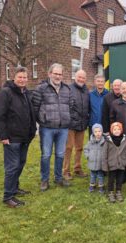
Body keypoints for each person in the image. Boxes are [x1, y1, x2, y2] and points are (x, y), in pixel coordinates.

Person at [0, 66, 36, 207]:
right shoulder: (5, 93)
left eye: (24, 77)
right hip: (11, 138)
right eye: (20, 77)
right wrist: (2, 136)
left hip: (25, 138)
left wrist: (32, 131)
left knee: (20, 164)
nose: (22, 80)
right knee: (12, 167)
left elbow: (30, 114)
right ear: (14, 77)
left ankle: (15, 188)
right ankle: (8, 196)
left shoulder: (26, 93)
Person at [32, 63, 72, 191]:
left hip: (63, 128)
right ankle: (44, 180)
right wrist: (43, 120)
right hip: (47, 128)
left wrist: (66, 119)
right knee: (46, 155)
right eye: (55, 73)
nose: (58, 76)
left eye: (60, 74)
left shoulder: (67, 89)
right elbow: (35, 107)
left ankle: (58, 178)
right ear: (50, 74)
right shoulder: (41, 88)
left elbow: (70, 106)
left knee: (60, 154)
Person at [63, 69, 89, 180]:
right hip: (70, 124)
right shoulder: (68, 89)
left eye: (83, 77)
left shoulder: (86, 90)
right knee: (68, 148)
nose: (81, 79)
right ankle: (65, 171)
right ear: (75, 77)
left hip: (82, 124)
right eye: (79, 77)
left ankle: (77, 168)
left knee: (79, 148)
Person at [102, 122, 126, 203]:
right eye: (114, 129)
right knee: (111, 179)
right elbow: (104, 154)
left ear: (121, 130)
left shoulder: (125, 140)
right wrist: (104, 166)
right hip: (111, 164)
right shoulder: (108, 141)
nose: (117, 131)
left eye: (119, 129)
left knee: (120, 179)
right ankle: (110, 192)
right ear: (111, 131)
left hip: (121, 164)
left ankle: (118, 191)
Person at [84, 123, 106, 193]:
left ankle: (101, 186)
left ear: (102, 132)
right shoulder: (90, 142)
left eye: (99, 131)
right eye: (96, 132)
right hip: (92, 162)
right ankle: (92, 185)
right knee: (92, 175)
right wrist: (88, 155)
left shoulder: (104, 142)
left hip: (100, 163)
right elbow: (86, 149)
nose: (98, 133)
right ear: (93, 132)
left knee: (100, 175)